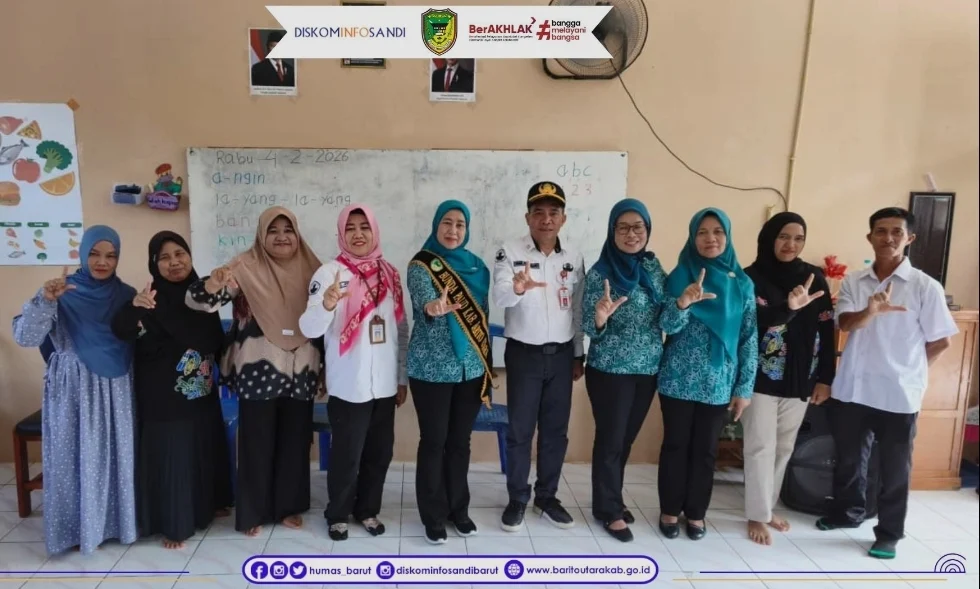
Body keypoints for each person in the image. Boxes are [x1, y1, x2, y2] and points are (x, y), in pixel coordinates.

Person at [814, 207, 958, 559]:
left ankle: (889, 534)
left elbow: (941, 340)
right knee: (849, 460)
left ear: (909, 238)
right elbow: (845, 324)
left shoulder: (925, 286)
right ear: (870, 237)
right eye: (881, 231)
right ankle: (848, 513)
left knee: (894, 469)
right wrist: (871, 311)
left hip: (898, 394)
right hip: (853, 389)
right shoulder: (854, 281)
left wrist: (911, 370)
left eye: (897, 232)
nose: (888, 238)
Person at [186, 206, 323, 537]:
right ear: (262, 235)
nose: (281, 237)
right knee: (256, 442)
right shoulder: (243, 267)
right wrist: (213, 282)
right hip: (258, 367)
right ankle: (253, 512)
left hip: (302, 367)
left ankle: (288, 507)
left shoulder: (315, 269)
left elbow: (327, 320)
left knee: (295, 440)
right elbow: (199, 302)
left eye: (287, 230)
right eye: (272, 230)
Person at [12, 225, 139, 555]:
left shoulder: (126, 294)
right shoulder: (60, 291)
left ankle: (113, 526)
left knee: (114, 457)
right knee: (72, 459)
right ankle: (73, 530)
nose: (102, 262)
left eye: (111, 255)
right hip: (73, 388)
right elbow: (26, 336)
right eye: (94, 254)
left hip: (116, 387)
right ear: (82, 253)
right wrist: (44, 301)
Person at [110, 231, 233, 549]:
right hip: (163, 398)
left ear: (190, 257)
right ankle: (174, 524)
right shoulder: (149, 298)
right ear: (154, 264)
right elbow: (121, 329)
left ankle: (209, 505)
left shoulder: (202, 295)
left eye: (180, 254)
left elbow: (216, 341)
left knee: (203, 447)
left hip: (201, 392)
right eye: (164, 257)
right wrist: (135, 307)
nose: (174, 262)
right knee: (173, 458)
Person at [299, 204, 408, 542]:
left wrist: (401, 377)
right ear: (341, 234)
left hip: (385, 384)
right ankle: (338, 514)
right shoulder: (329, 273)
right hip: (349, 383)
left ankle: (367, 510)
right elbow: (309, 327)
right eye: (351, 228)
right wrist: (327, 304)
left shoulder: (390, 273)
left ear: (375, 231)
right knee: (347, 455)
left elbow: (401, 328)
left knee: (380, 453)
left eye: (364, 227)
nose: (358, 234)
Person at [582, 198, 685, 542]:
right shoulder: (600, 273)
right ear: (612, 231)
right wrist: (600, 318)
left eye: (637, 227)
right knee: (611, 440)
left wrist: (681, 304)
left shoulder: (653, 269)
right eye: (623, 227)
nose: (631, 234)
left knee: (624, 440)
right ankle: (609, 510)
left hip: (647, 369)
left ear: (647, 230)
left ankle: (610, 499)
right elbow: (588, 325)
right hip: (610, 369)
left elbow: (668, 320)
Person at [657, 207, 758, 541]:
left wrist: (743, 388)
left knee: (705, 451)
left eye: (717, 232)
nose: (710, 238)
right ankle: (669, 509)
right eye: (702, 232)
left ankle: (696, 513)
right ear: (692, 237)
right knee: (675, 446)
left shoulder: (741, 283)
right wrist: (683, 302)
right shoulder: (679, 275)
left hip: (718, 382)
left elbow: (748, 338)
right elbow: (665, 325)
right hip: (677, 379)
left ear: (727, 237)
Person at [492, 181, 585, 532]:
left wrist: (578, 354)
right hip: (524, 355)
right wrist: (517, 288)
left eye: (553, 212)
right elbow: (500, 296)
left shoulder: (573, 256)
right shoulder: (509, 250)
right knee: (520, 430)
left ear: (563, 218)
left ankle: (547, 497)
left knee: (555, 432)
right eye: (539, 212)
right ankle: (518, 497)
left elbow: (577, 308)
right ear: (527, 217)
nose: (546, 219)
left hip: (561, 355)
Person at [741, 213, 834, 545]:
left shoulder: (814, 278)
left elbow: (827, 328)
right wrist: (789, 307)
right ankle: (756, 514)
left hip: (801, 379)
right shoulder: (750, 278)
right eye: (783, 236)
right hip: (760, 377)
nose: (790, 244)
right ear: (769, 238)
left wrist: (825, 378)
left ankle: (767, 507)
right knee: (760, 447)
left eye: (798, 238)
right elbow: (752, 322)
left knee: (783, 447)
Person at [406, 200, 493, 544]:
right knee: (434, 441)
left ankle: (459, 509)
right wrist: (433, 307)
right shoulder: (421, 265)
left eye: (460, 224)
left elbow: (483, 317)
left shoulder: (478, 268)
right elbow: (424, 304)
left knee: (459, 442)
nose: (453, 230)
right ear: (436, 225)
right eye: (447, 222)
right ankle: (433, 515)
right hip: (431, 368)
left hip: (470, 369)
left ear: (466, 229)